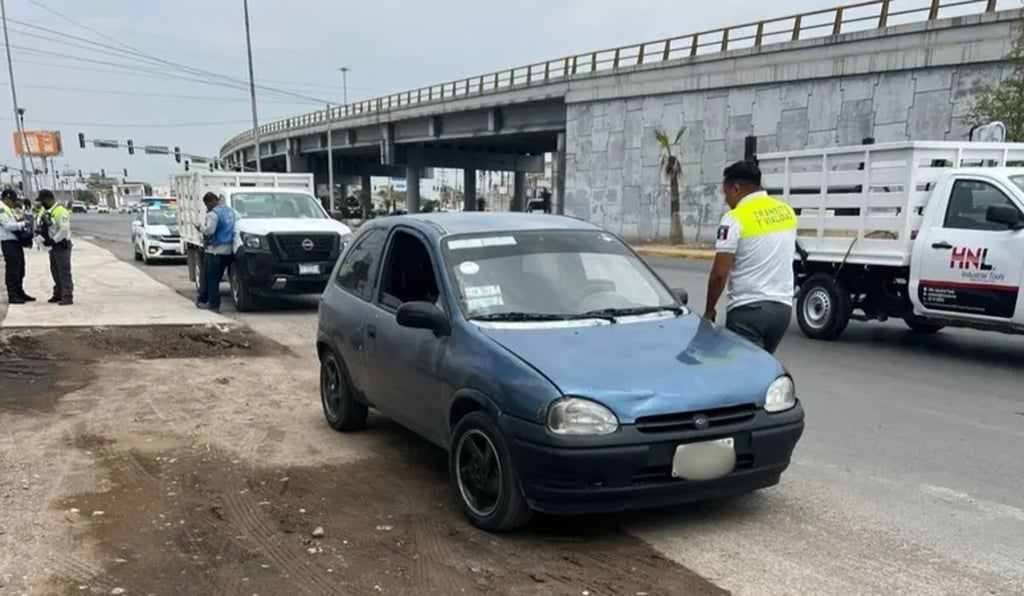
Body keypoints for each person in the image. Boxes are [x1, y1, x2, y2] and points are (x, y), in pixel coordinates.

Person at [703, 160, 797, 354]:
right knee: (761, 366)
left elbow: (720, 273)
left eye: (726, 193)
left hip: (748, 313)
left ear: (736, 189)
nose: (726, 201)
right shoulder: (786, 211)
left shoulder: (734, 218)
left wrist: (709, 310)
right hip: (782, 311)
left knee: (744, 369)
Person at [195, 191, 236, 312]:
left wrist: (200, 228)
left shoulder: (213, 214)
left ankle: (214, 305)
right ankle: (209, 301)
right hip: (228, 250)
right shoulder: (230, 211)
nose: (207, 208)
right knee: (217, 276)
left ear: (210, 202)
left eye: (207, 205)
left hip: (214, 251)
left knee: (212, 279)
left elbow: (209, 231)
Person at [37, 189, 74, 305]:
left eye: (43, 201)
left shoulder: (61, 211)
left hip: (61, 245)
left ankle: (67, 295)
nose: (41, 203)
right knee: (55, 270)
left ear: (49, 199)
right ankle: (58, 293)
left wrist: (54, 240)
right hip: (52, 246)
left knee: (63, 272)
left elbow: (64, 230)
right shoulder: (46, 211)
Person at [0, 188, 35, 303]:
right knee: (13, 270)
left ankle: (20, 292)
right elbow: (7, 225)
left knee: (20, 268)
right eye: (13, 200)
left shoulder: (8, 209)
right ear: (6, 199)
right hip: (9, 242)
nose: (14, 203)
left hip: (16, 242)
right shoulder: (1, 209)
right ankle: (13, 294)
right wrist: (23, 223)